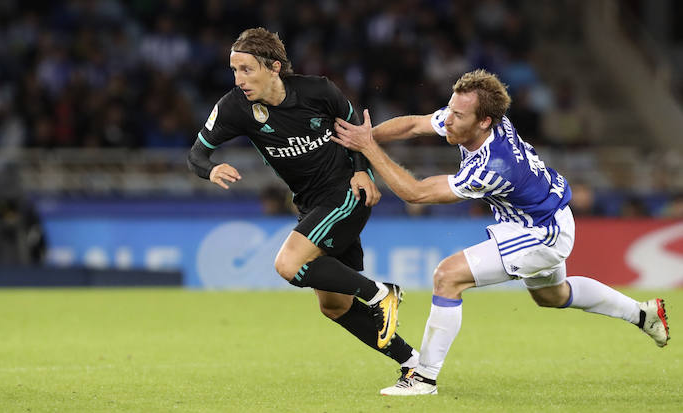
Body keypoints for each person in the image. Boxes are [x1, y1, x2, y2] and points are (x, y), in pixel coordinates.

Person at [331, 69, 670, 396]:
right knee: (554, 296)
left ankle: (423, 379)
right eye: (450, 108)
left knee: (447, 276)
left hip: (541, 231)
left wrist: (367, 148)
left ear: (484, 122)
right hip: (547, 216)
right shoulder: (469, 120)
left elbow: (417, 193)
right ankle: (642, 313)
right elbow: (416, 125)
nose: (448, 119)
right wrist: (368, 135)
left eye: (458, 115)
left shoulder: (495, 165)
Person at [187, 28, 420, 380]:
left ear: (274, 68)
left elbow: (355, 127)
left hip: (345, 194)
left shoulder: (318, 91)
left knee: (288, 265)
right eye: (234, 70)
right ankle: (414, 363)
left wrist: (362, 171)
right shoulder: (234, 107)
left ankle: (382, 293)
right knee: (335, 306)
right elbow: (197, 154)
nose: (238, 79)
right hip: (311, 205)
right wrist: (211, 169)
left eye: (246, 70)